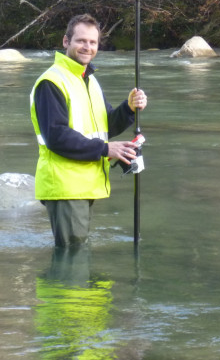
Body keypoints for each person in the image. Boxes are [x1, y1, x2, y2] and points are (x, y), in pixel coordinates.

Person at [30, 14, 148, 247]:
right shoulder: (51, 82)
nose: (87, 47)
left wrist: (129, 108)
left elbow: (106, 127)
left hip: (84, 184)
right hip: (65, 186)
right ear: (66, 42)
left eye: (93, 42)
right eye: (81, 41)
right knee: (72, 260)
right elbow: (56, 136)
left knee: (76, 258)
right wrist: (105, 149)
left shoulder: (90, 81)